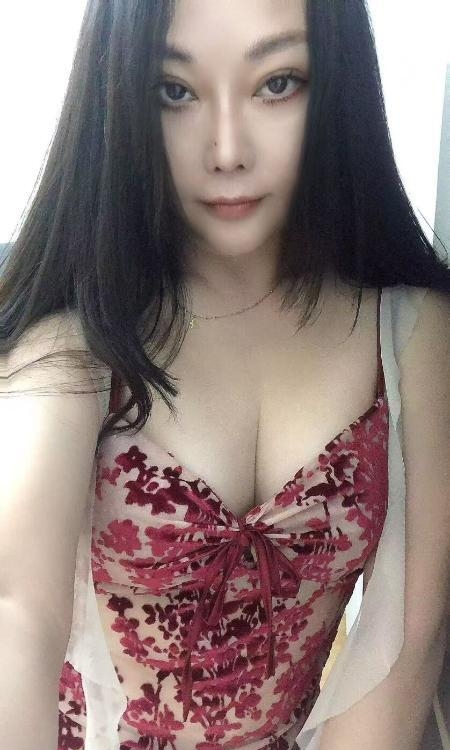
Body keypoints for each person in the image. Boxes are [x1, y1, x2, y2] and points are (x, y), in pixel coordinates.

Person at [1, 1, 449, 750]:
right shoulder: (76, 338)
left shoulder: (409, 333)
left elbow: (407, 644)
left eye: (277, 83)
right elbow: (17, 611)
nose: (228, 150)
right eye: (175, 91)